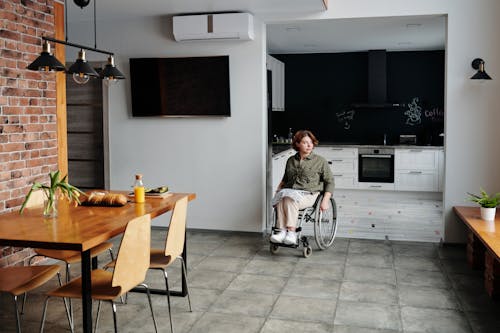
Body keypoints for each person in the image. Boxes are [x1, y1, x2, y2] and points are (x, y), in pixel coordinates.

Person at [270, 130, 334, 245]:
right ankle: (282, 232)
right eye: (305, 142)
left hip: (309, 194)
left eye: (311, 142)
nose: (309, 145)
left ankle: (291, 232)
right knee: (282, 198)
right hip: (290, 192)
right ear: (297, 144)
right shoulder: (291, 161)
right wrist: (277, 195)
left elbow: (330, 182)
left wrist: (325, 200)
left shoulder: (320, 161)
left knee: (289, 199)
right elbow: (284, 180)